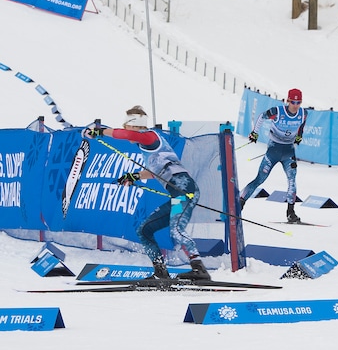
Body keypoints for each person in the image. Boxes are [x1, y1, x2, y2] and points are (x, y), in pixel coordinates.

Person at [83, 105, 210, 281]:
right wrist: (134, 176)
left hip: (184, 190)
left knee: (176, 230)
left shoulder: (149, 136)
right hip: (177, 193)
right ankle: (160, 272)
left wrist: (100, 132)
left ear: (134, 125)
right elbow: (155, 172)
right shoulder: (148, 146)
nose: (126, 131)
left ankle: (199, 269)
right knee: (144, 230)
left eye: (126, 125)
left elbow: (128, 135)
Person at [240, 88, 307, 224]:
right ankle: (239, 203)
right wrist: (255, 133)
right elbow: (261, 117)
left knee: (292, 180)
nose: (295, 105)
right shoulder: (278, 111)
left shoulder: (303, 113)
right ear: (288, 100)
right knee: (260, 179)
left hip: (288, 151)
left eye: (298, 102)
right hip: (274, 150)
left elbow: (302, 124)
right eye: (293, 102)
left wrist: (299, 136)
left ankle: (290, 212)